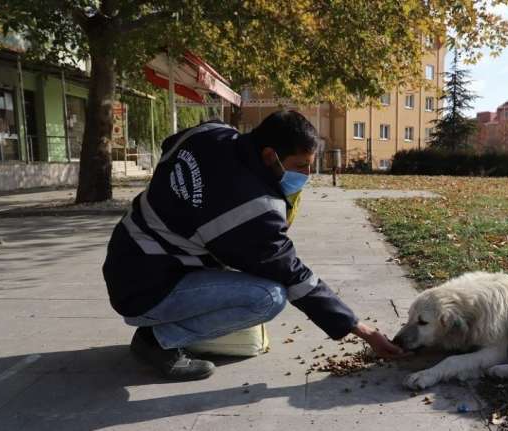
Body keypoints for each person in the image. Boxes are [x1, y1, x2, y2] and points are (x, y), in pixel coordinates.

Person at [102, 110, 404, 380]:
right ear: (270, 155)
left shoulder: (209, 133)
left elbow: (170, 144)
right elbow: (292, 274)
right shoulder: (252, 209)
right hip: (146, 291)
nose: (306, 176)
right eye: (300, 166)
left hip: (125, 256)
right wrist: (360, 329)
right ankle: (156, 341)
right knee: (268, 297)